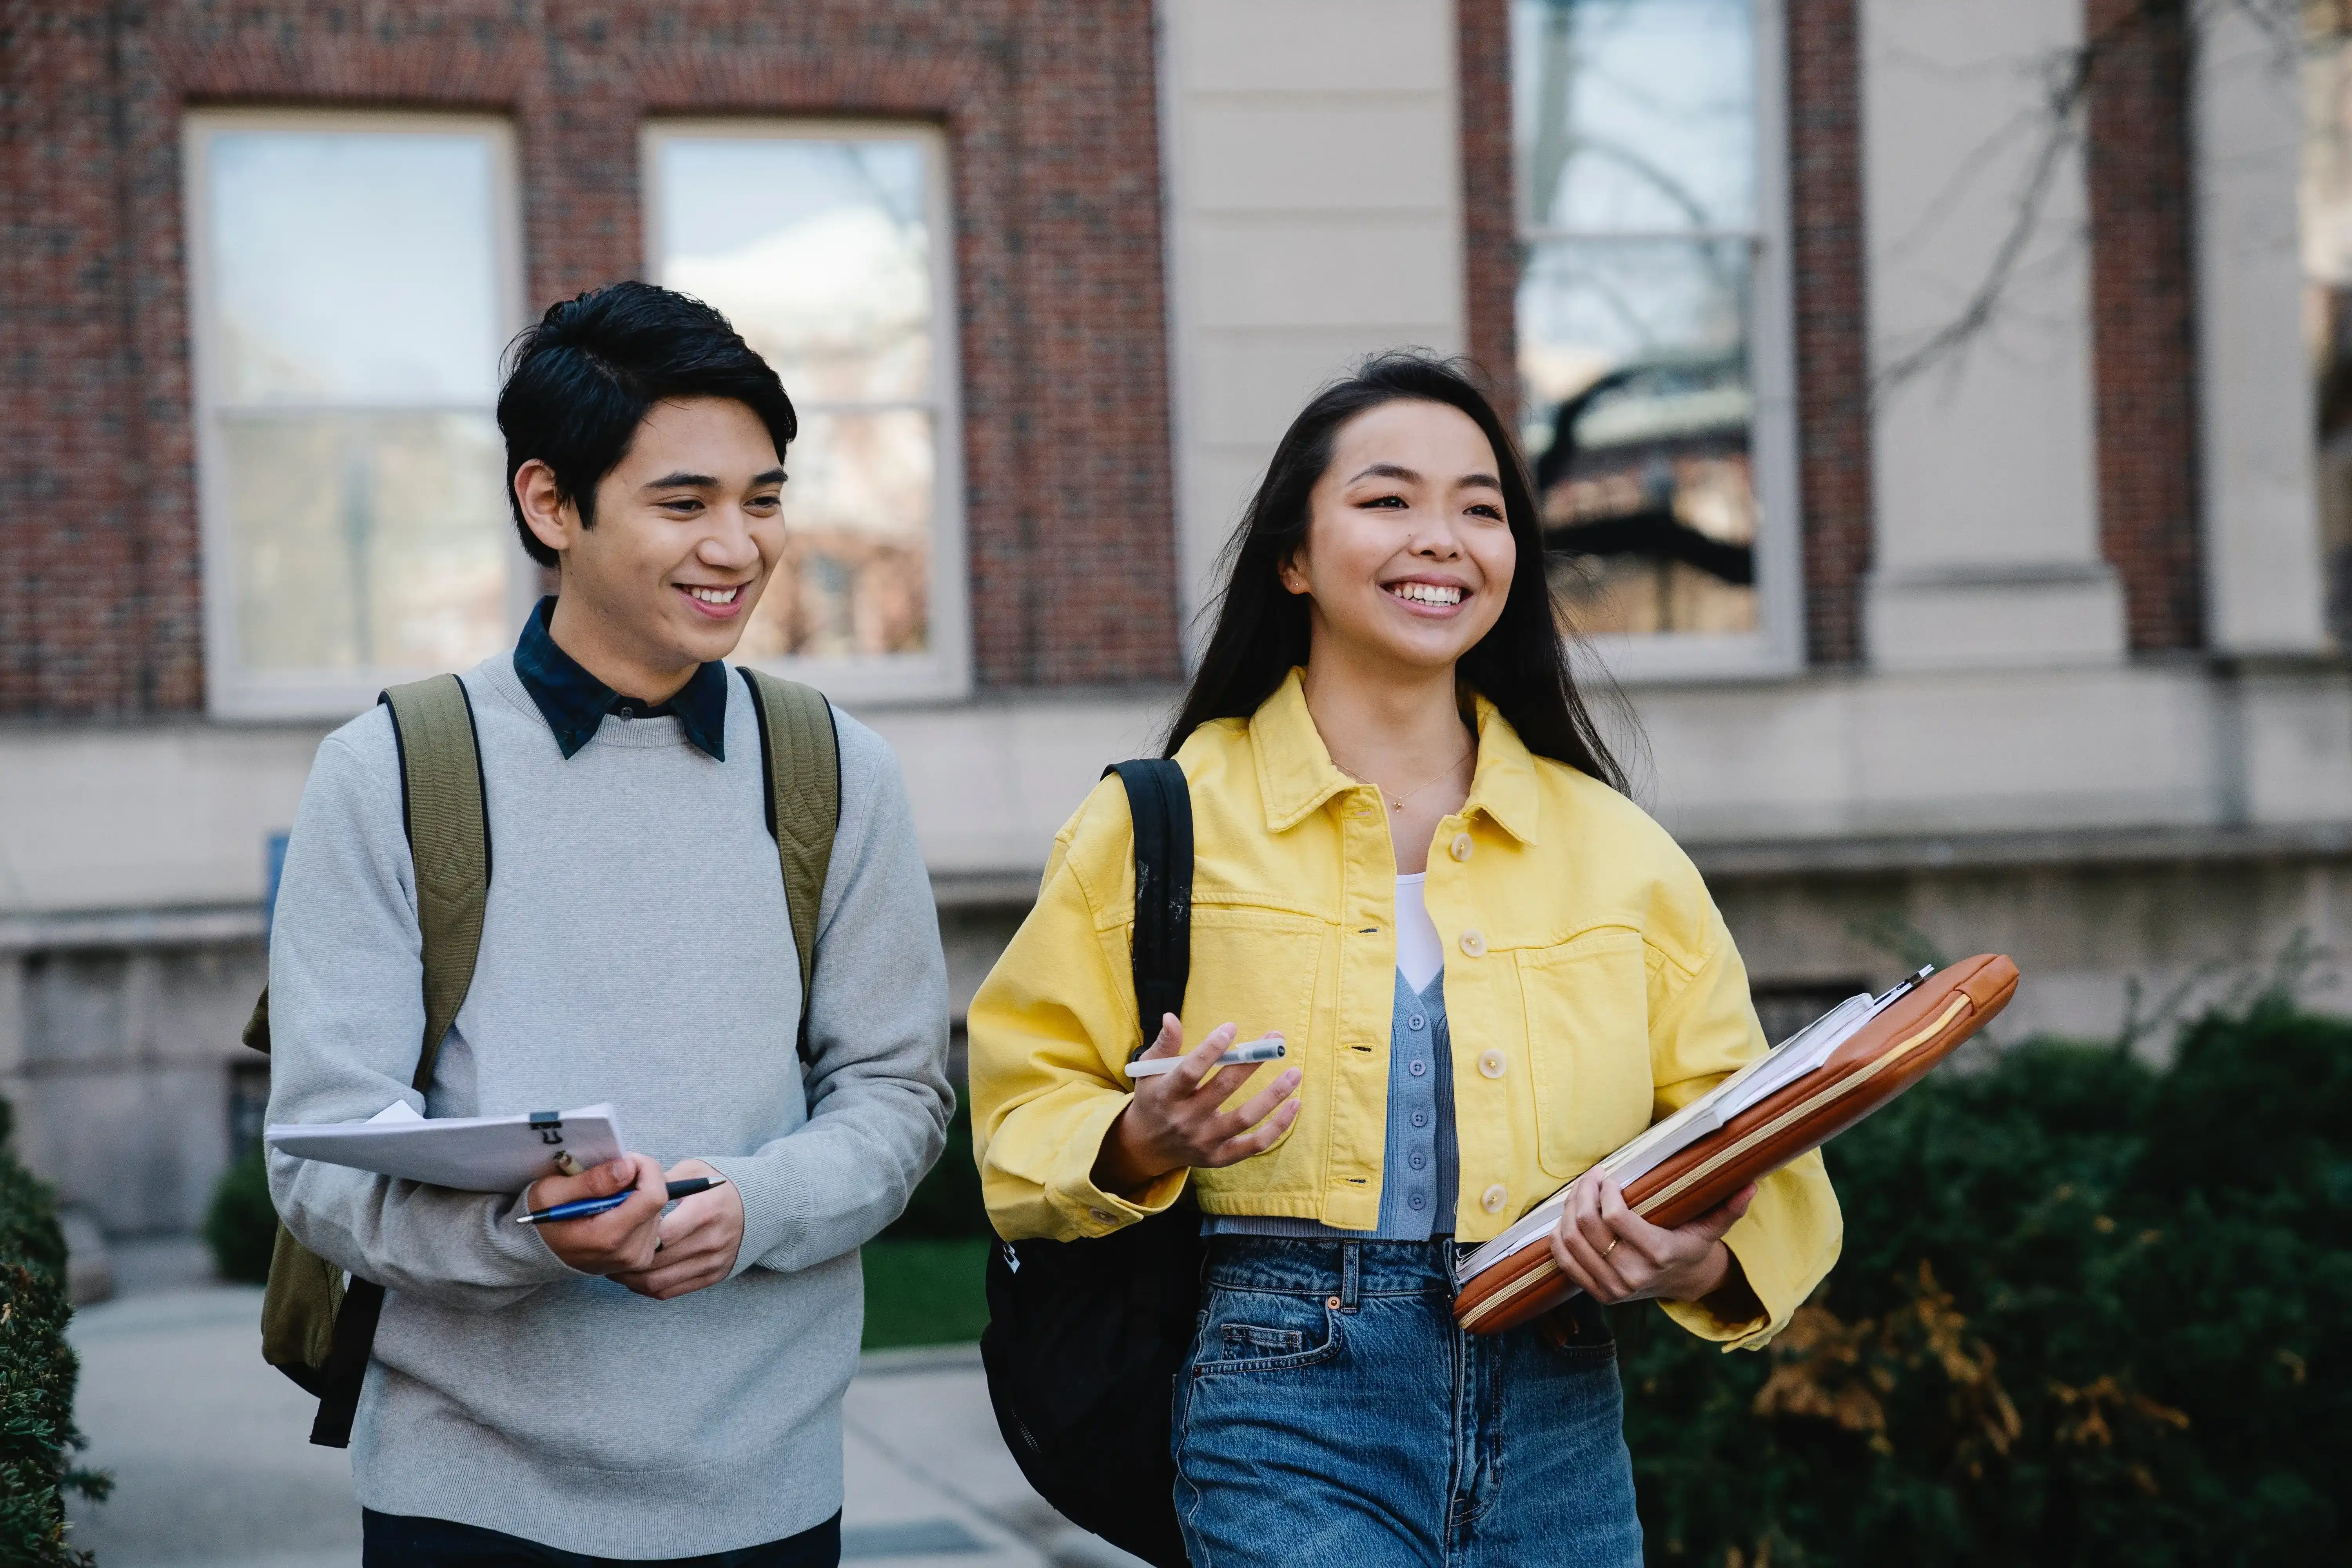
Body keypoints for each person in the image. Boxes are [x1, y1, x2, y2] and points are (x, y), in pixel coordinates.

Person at [966, 353, 1840, 1565]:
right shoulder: (1158, 824)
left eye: (1481, 509)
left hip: (1563, 1418)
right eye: (1388, 501)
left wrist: (1696, 1258)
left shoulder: (1620, 853)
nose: (1443, 539)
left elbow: (1767, 1152)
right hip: (1281, 1410)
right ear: (1293, 557)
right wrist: (1140, 1139)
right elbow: (1020, 1112)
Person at [265, 280, 954, 1566]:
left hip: (772, 1495)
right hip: (466, 1499)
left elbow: (898, 1095)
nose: (739, 547)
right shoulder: (392, 769)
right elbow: (320, 1161)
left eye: (763, 500)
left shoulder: (837, 769)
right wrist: (531, 1230)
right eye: (684, 503)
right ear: (549, 504)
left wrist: (751, 1206)